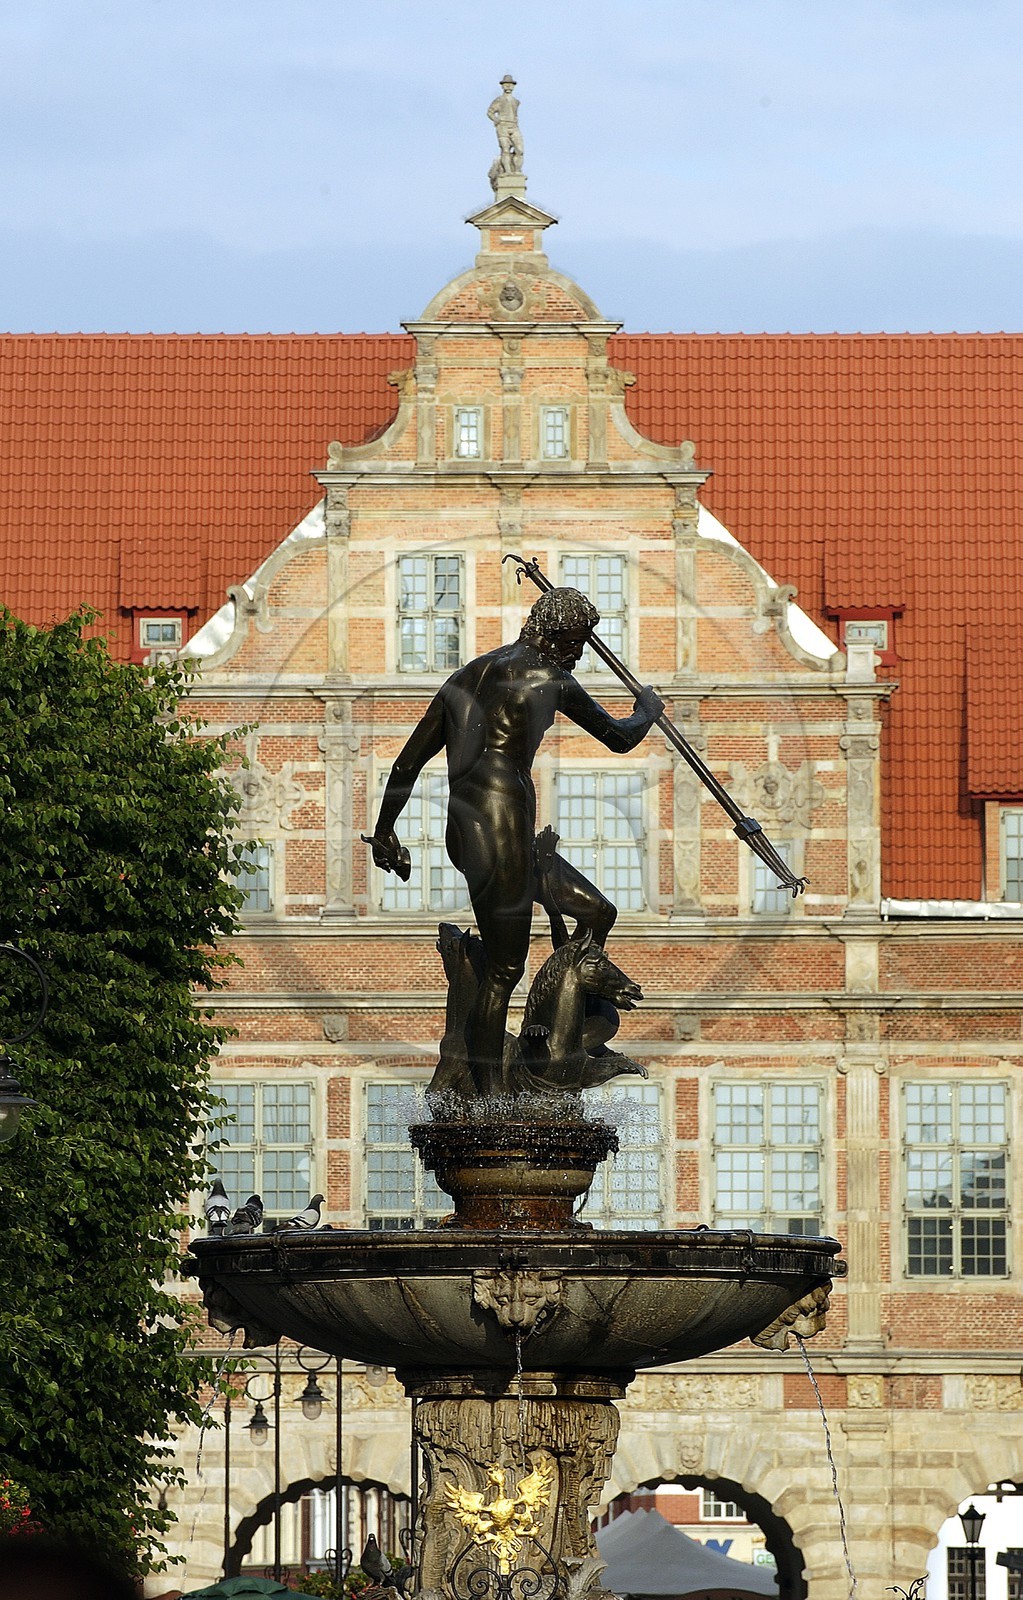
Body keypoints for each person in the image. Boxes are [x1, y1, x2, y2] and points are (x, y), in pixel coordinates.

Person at [367, 587, 664, 1091]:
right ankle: (489, 1097)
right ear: (549, 633)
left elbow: (406, 764)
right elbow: (618, 737)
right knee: (504, 969)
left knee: (597, 912)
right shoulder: (551, 677)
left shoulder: (464, 678)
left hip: (478, 830)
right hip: (497, 823)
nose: (580, 652)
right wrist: (647, 710)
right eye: (574, 641)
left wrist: (384, 829)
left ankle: (571, 1036)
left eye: (585, 642)